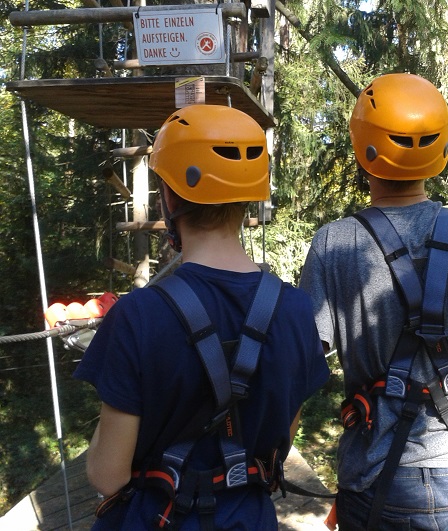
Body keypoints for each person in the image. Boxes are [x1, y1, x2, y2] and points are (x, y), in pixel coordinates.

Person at [74, 104, 330, 530]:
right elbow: (278, 445)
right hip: (249, 518)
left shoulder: (136, 317)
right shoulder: (297, 311)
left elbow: (107, 475)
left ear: (168, 196)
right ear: (249, 194)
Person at [299, 73, 448, 531]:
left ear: (363, 148)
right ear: (439, 149)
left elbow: (299, 373)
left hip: (373, 480)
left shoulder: (334, 246)